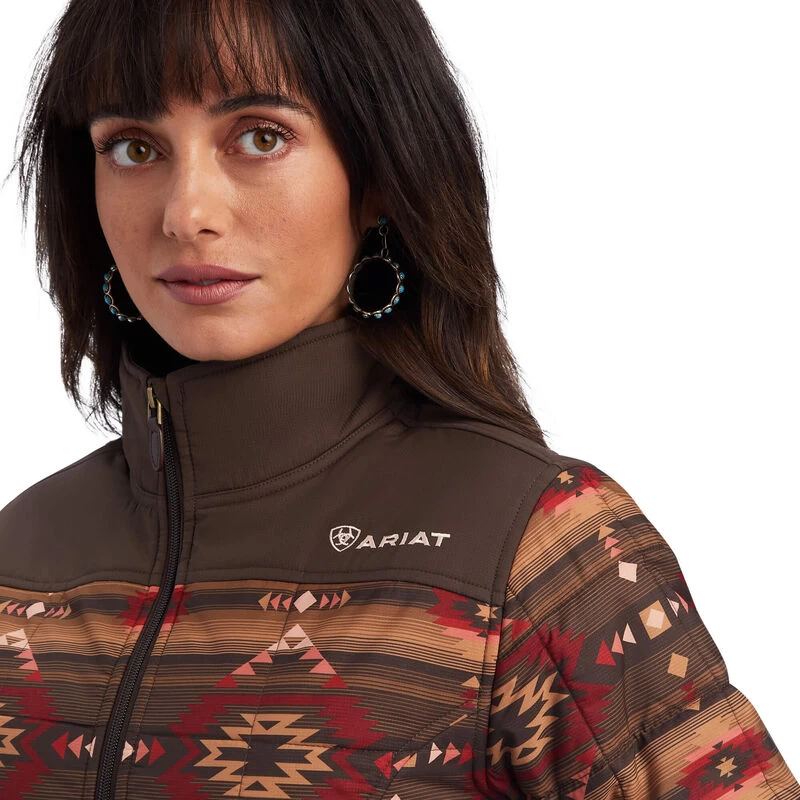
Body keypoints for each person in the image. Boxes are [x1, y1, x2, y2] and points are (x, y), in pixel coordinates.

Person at [0, 1, 797, 798]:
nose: (186, 215)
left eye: (261, 137)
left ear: (379, 175)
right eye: (134, 148)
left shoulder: (539, 552)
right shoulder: (21, 560)